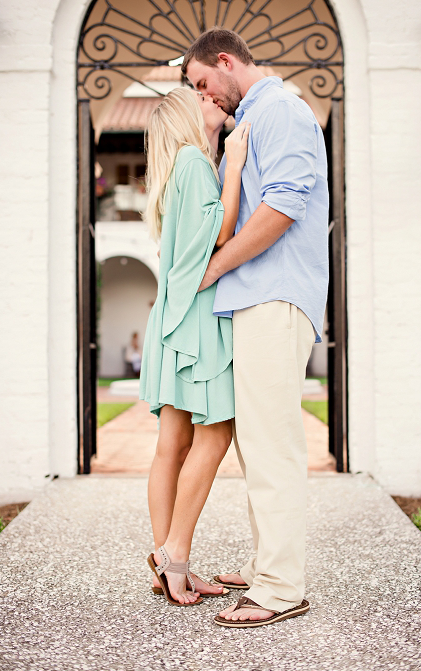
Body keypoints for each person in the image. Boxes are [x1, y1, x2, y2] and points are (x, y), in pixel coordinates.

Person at [182, 27, 329, 628]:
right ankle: (271, 562)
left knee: (273, 445)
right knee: (257, 443)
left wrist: (214, 267)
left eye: (201, 83)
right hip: (256, 297)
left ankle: (280, 587)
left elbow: (285, 207)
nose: (203, 96)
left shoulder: (283, 111)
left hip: (274, 296)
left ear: (225, 62)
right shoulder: (255, 118)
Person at [139, 86, 250, 605]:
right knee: (215, 437)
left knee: (171, 447)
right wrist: (233, 167)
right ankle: (174, 555)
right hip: (197, 321)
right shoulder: (194, 163)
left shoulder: (174, 170)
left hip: (172, 319)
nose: (214, 101)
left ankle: (168, 562)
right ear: (188, 116)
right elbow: (222, 232)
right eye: (201, 98)